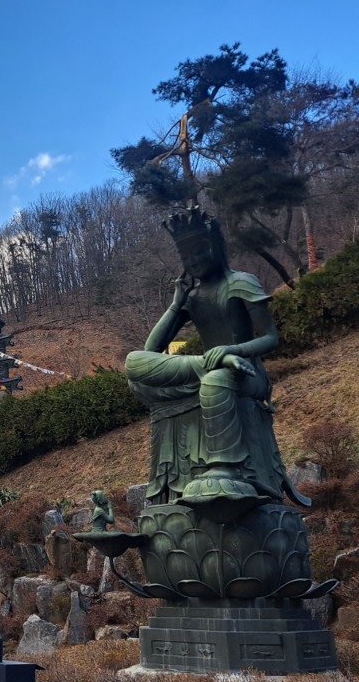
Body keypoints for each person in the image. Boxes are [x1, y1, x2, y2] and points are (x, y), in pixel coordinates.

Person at [124, 206, 307, 509]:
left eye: (200, 252)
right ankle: (208, 364)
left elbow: (270, 337)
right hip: (207, 366)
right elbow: (150, 350)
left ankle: (223, 467)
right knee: (134, 363)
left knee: (217, 379)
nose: (194, 261)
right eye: (187, 257)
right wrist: (175, 305)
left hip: (246, 373)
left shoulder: (242, 282)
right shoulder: (191, 296)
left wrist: (231, 351)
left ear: (216, 247)